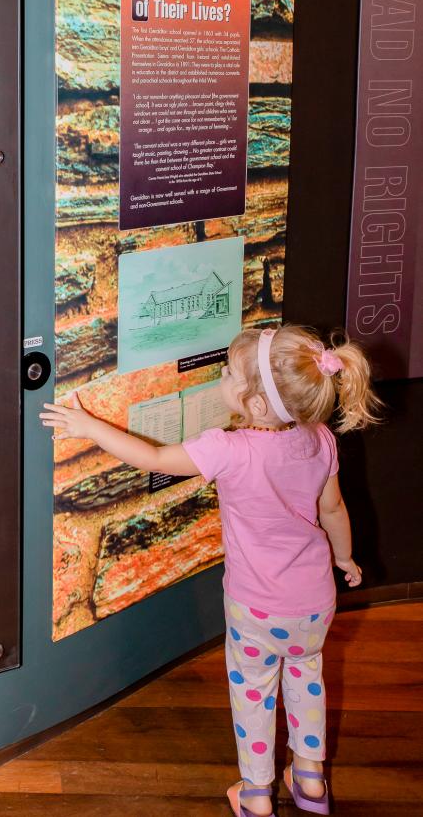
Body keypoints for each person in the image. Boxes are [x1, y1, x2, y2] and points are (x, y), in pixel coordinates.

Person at [40, 323, 379, 817]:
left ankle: (257, 795)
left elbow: (154, 457)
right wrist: (344, 558)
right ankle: (309, 780)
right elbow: (333, 510)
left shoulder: (228, 448)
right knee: (307, 677)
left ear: (257, 405)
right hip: (315, 603)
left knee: (254, 693)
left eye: (229, 374)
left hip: (255, 607)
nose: (221, 377)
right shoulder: (321, 440)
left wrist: (90, 427)